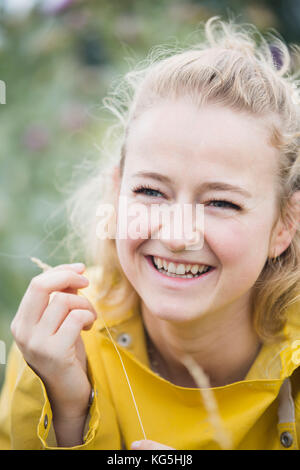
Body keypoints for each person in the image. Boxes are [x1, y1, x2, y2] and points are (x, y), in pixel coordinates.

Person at [0, 15, 300, 450]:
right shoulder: (59, 345)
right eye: (151, 192)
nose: (178, 236)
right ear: (116, 192)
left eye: (221, 203)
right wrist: (68, 412)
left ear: (284, 225)